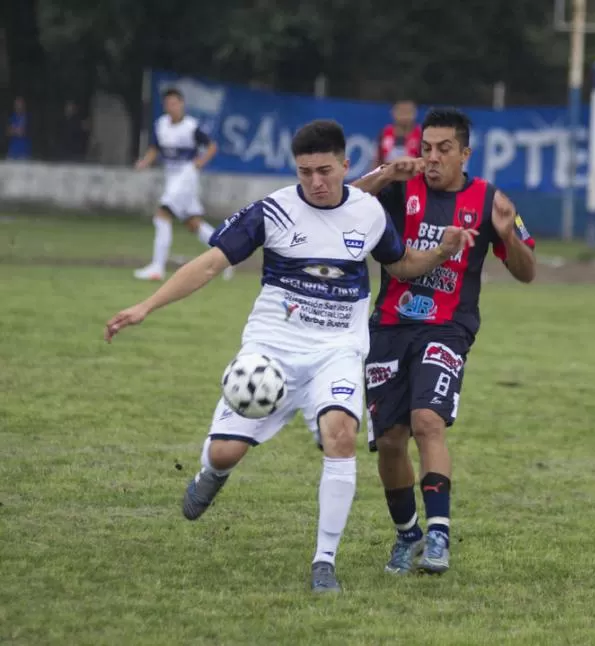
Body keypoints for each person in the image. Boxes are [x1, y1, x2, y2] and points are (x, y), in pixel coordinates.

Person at [103, 119, 476, 593]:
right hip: (272, 349)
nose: (316, 182)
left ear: (345, 165)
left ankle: (325, 562)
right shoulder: (272, 211)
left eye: (325, 170)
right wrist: (145, 306)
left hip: (337, 349)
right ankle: (212, 471)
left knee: (340, 434)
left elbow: (399, 264)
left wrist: (441, 252)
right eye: (305, 172)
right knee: (226, 450)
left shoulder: (368, 212)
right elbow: (210, 262)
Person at [352, 107, 536, 575]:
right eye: (425, 149)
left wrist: (509, 233)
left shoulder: (490, 199)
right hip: (389, 326)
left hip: (448, 328)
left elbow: (527, 271)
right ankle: (407, 535)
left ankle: (438, 535)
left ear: (465, 153)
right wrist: (388, 170)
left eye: (444, 149)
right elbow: (343, 204)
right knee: (391, 440)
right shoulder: (398, 189)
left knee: (427, 421)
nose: (432, 158)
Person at [132, 88, 222, 281]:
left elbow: (212, 146)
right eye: (168, 104)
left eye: (175, 103)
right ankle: (228, 254)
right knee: (193, 223)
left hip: (186, 176)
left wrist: (201, 161)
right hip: (172, 177)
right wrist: (145, 162)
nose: (171, 107)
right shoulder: (161, 125)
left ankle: (157, 267)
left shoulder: (191, 127)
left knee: (162, 215)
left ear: (182, 104)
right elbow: (155, 149)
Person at [373, 100, 421, 168]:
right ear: (393, 112)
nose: (405, 115)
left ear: (415, 113)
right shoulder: (384, 133)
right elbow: (376, 160)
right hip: (387, 176)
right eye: (401, 111)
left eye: (409, 112)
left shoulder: (422, 134)